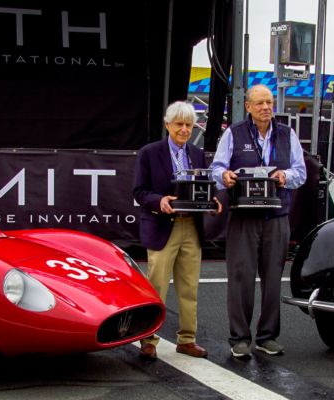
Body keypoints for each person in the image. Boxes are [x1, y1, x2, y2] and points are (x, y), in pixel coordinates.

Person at [211, 84, 307, 359]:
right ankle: (240, 338)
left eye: (269, 102)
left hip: (276, 216)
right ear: (249, 107)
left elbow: (300, 172)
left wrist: (284, 177)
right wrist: (225, 177)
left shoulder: (288, 134)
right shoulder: (234, 133)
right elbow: (217, 167)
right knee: (240, 277)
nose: (266, 107)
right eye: (260, 103)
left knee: (274, 279)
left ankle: (268, 337)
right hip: (243, 216)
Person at [132, 101, 219, 360]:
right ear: (167, 124)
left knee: (189, 287)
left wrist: (212, 202)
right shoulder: (149, 152)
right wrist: (159, 201)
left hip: (192, 227)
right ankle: (148, 339)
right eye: (179, 124)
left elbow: (203, 188)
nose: (184, 129)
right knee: (157, 286)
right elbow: (139, 191)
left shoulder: (197, 153)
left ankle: (187, 339)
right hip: (162, 226)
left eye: (189, 125)